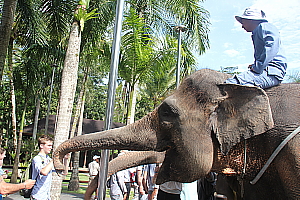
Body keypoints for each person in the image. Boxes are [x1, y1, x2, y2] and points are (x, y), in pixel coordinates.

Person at [225, 7, 287, 89]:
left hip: (270, 72)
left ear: (250, 20)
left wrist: (258, 67)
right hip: (268, 71)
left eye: (243, 22)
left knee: (231, 84)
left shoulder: (264, 26)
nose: (242, 26)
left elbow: (272, 46)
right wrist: (256, 65)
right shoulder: (258, 31)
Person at [31, 135, 69, 200]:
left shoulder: (48, 159)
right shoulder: (37, 159)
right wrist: (55, 158)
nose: (51, 148)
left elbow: (64, 172)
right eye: (48, 145)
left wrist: (65, 159)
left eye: (51, 146)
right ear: (41, 146)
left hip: (46, 196)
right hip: (37, 196)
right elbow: (44, 172)